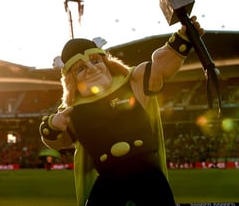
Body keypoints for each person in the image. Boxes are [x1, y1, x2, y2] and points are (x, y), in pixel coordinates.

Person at [39, 16, 204, 206]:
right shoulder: (72, 109)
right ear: (71, 79)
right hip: (109, 178)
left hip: (147, 174)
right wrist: (53, 125)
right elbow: (58, 142)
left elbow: (160, 67)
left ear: (106, 62)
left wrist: (182, 39)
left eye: (95, 61)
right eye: (80, 68)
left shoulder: (132, 81)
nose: (92, 69)